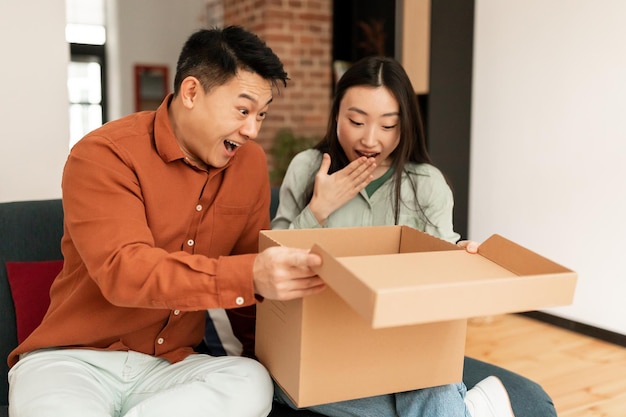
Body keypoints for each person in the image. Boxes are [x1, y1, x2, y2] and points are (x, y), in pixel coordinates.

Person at [7, 26, 325, 417]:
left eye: (261, 114)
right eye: (243, 111)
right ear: (191, 92)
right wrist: (250, 276)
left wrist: (282, 361)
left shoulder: (250, 165)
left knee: (250, 380)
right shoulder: (103, 155)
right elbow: (125, 271)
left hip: (171, 367)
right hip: (74, 362)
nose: (252, 130)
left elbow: (247, 300)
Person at [271, 56, 520, 417]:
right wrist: (317, 210)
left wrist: (460, 256)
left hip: (403, 344)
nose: (370, 139)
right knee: (284, 389)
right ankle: (469, 409)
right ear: (336, 114)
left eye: (388, 125)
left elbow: (442, 267)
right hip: (324, 342)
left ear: (405, 126)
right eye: (356, 121)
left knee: (426, 381)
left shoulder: (427, 184)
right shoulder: (308, 169)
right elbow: (271, 263)